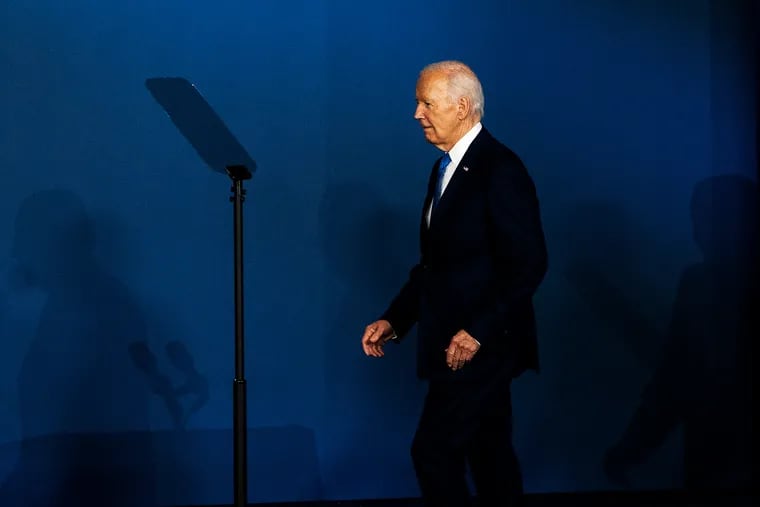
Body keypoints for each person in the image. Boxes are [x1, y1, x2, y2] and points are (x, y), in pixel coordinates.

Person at [361, 61, 548, 507]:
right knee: (490, 454)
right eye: (417, 103)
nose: (417, 114)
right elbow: (435, 266)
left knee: (434, 452)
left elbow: (529, 263)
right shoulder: (443, 169)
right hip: (452, 340)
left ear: (461, 106)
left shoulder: (500, 168)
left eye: (426, 103)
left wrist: (478, 330)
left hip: (482, 346)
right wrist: (395, 319)